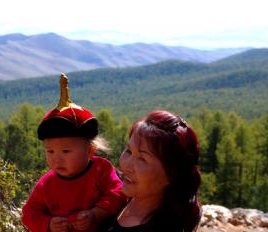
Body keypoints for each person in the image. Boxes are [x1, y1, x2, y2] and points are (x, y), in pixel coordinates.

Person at [22, 73, 126, 232]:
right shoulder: (46, 184)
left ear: (90, 150)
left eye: (66, 151)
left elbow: (118, 193)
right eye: (50, 151)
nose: (57, 159)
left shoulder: (101, 169)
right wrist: (49, 224)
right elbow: (29, 214)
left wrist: (95, 215)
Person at [98, 110, 201, 232]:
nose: (127, 165)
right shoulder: (117, 199)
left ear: (172, 174)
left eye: (142, 159)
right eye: (129, 151)